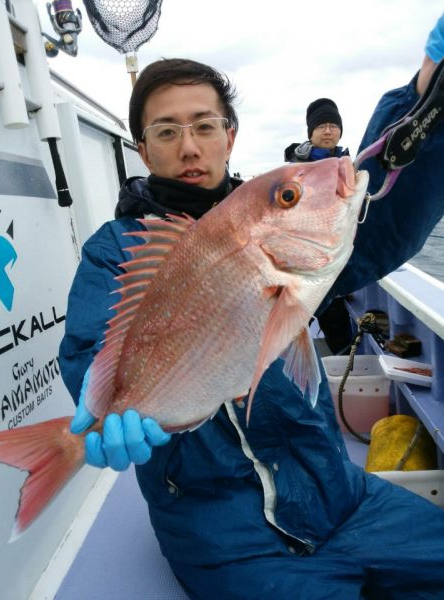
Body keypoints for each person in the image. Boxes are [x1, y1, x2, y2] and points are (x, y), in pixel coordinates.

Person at [60, 13, 444, 600]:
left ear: (230, 136)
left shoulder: (270, 220)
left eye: (204, 126)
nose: (188, 146)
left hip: (341, 494)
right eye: (166, 131)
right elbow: (91, 353)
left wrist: (425, 89)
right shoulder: (117, 251)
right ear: (142, 148)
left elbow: (380, 217)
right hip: (224, 533)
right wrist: (101, 401)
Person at [285, 98, 354, 355]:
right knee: (289, 335)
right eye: (321, 126)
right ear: (310, 132)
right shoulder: (295, 171)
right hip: (303, 270)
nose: (328, 131)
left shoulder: (349, 167)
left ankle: (344, 380)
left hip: (336, 266)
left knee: (341, 337)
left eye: (333, 125)